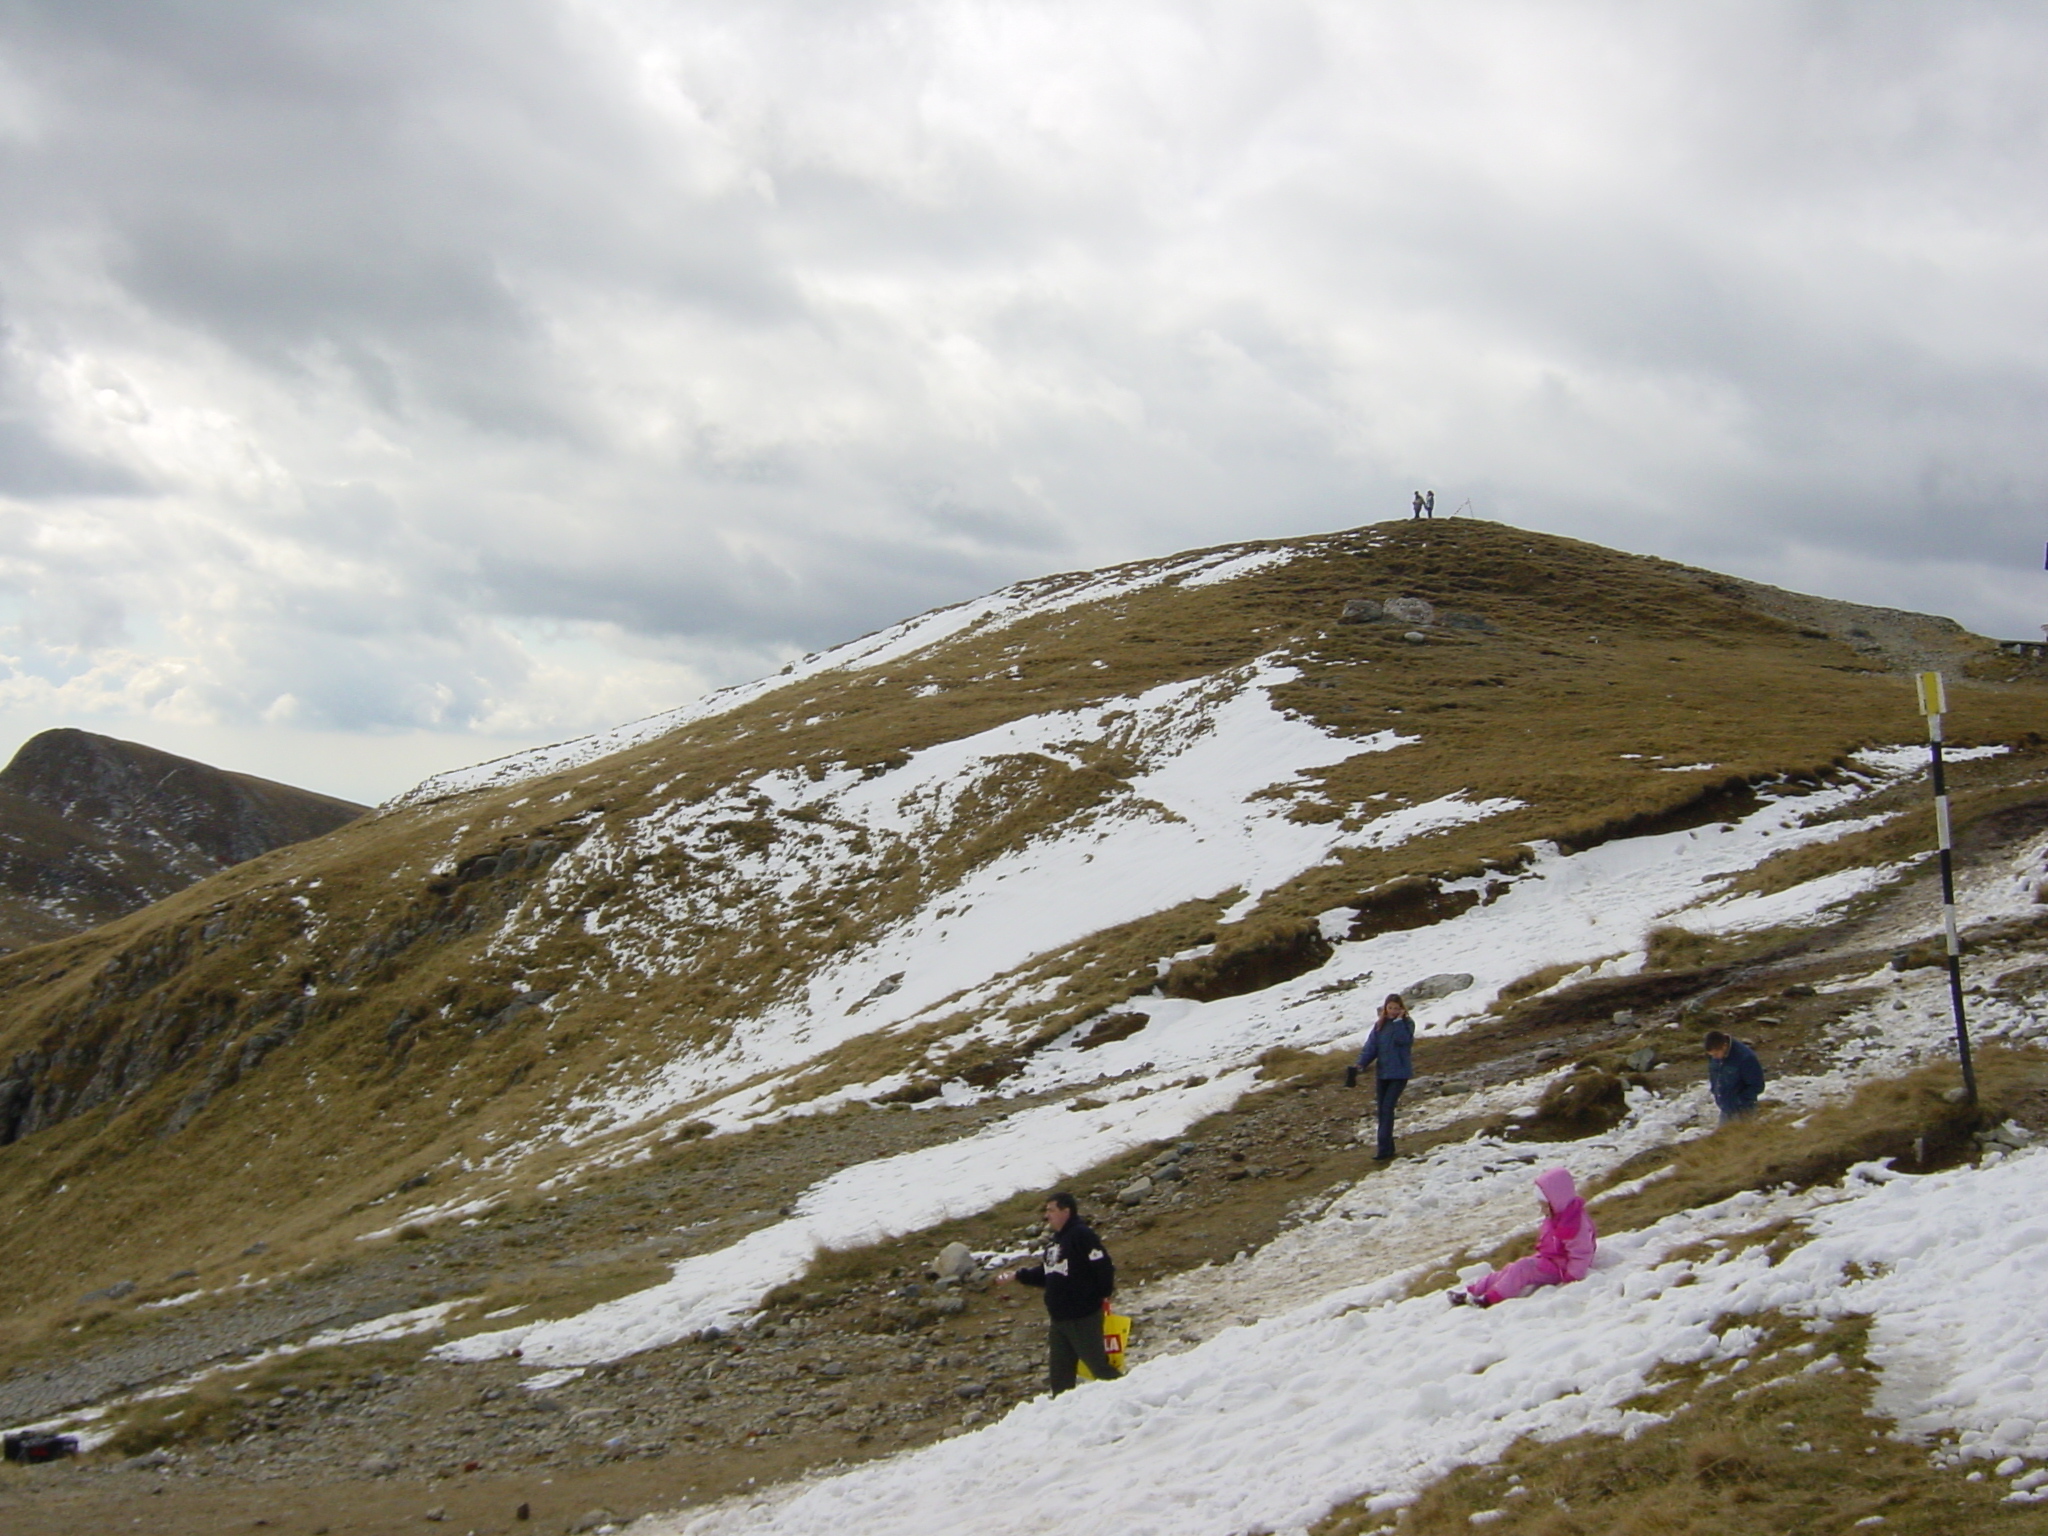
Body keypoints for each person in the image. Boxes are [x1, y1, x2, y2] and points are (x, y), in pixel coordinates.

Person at [996, 1192, 1119, 1394]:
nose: (1047, 1215)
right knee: (1060, 1377)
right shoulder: (1055, 1242)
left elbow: (1103, 1266)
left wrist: (1100, 1296)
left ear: (1066, 1211)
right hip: (1059, 1320)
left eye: (1051, 1210)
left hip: (1082, 1316)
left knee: (1100, 1368)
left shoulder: (1082, 1235)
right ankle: (1063, 1415)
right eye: (1046, 1210)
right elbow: (1048, 1273)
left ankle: (1127, 1398)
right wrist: (1017, 1275)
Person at [1452, 1167, 1596, 1307]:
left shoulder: (1574, 1224)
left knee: (1523, 1268)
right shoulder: (1558, 1215)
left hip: (1561, 1268)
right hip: (1549, 1260)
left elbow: (1582, 1252)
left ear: (1557, 1200)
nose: (1543, 1210)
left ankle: (1490, 1298)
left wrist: (1572, 1276)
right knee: (1511, 1269)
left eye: (1545, 1206)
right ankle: (1472, 1290)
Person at [1348, 993, 1414, 1161]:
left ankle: (1383, 1150)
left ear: (1402, 1009)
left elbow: (1404, 1041)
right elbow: (1371, 1048)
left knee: (1387, 1109)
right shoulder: (1379, 1026)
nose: (1393, 1011)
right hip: (1383, 1073)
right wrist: (1360, 1064)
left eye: (1396, 1008)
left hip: (1399, 1074)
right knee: (1382, 1111)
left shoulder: (1407, 1024)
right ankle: (1387, 1148)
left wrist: (1399, 1021)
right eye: (1390, 1008)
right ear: (1385, 1008)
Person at [1705, 1030, 1765, 1122]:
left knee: (1742, 1136)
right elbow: (1714, 1074)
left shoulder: (1745, 1058)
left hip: (1743, 1110)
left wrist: (1739, 1101)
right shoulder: (1716, 1057)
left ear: (1724, 1046)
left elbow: (1757, 1085)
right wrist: (1715, 1090)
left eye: (1716, 1054)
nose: (1715, 1057)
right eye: (1712, 1055)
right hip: (1725, 1108)